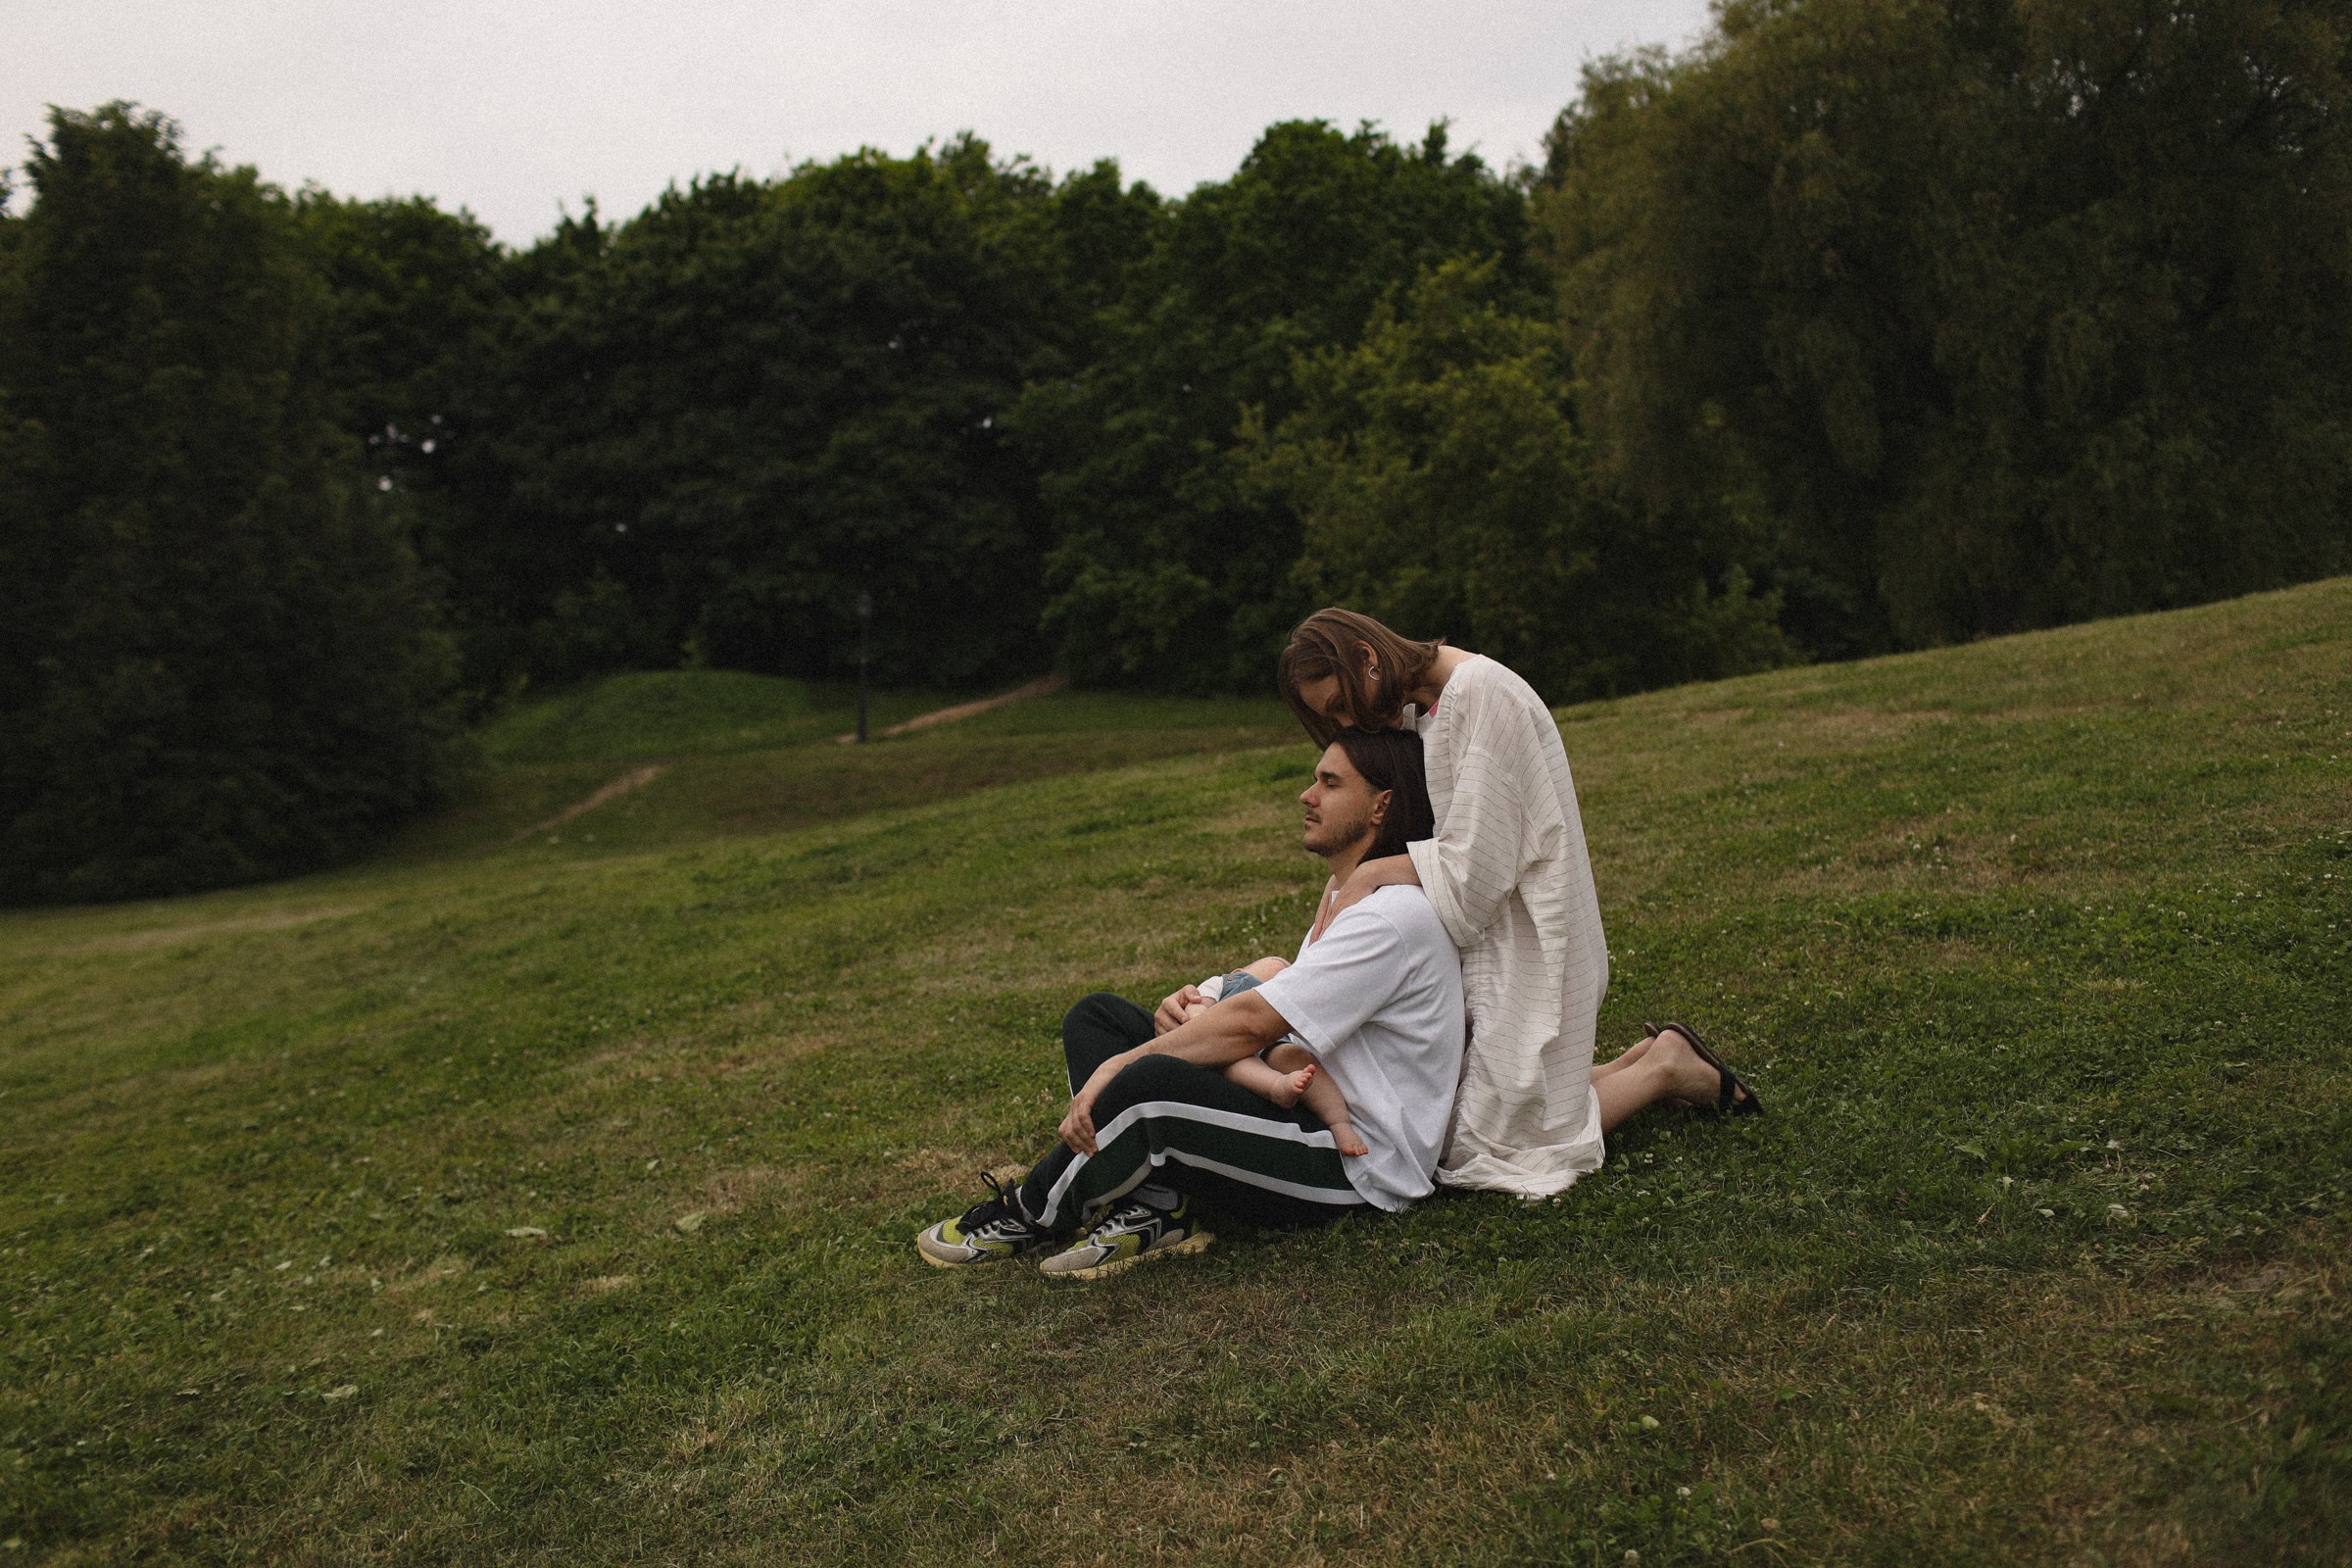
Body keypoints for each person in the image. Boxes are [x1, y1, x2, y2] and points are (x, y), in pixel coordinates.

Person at [915, 728, 1460, 1279]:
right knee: (1099, 1018)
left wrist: (1123, 1064)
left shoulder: (1390, 918)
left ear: (1380, 805)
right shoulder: (1353, 898)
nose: (1307, 795)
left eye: (1330, 783)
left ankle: (1032, 1212)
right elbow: (1273, 1002)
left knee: (1147, 1080)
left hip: (1352, 1163)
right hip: (1297, 1101)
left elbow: (1253, 1024)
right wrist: (1197, 1005)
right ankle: (1157, 1205)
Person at [1276, 608, 1760, 1200]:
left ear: (1366, 658)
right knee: (1476, 1113)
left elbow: (1478, 870)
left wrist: (1372, 873)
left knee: (1488, 1151)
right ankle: (1638, 1062)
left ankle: (1665, 1069)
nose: (1347, 723)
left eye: (1340, 705)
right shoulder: (1424, 710)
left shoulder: (1481, 694)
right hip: (1491, 933)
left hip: (1533, 935)